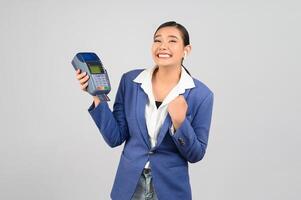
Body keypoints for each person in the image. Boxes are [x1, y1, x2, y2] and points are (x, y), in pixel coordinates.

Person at [75, 21, 214, 200]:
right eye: (157, 40)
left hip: (170, 188)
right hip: (129, 184)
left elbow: (196, 154)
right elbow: (114, 137)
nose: (163, 46)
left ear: (186, 50)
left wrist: (180, 123)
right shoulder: (130, 81)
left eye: (172, 41)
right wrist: (96, 95)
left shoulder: (201, 95)